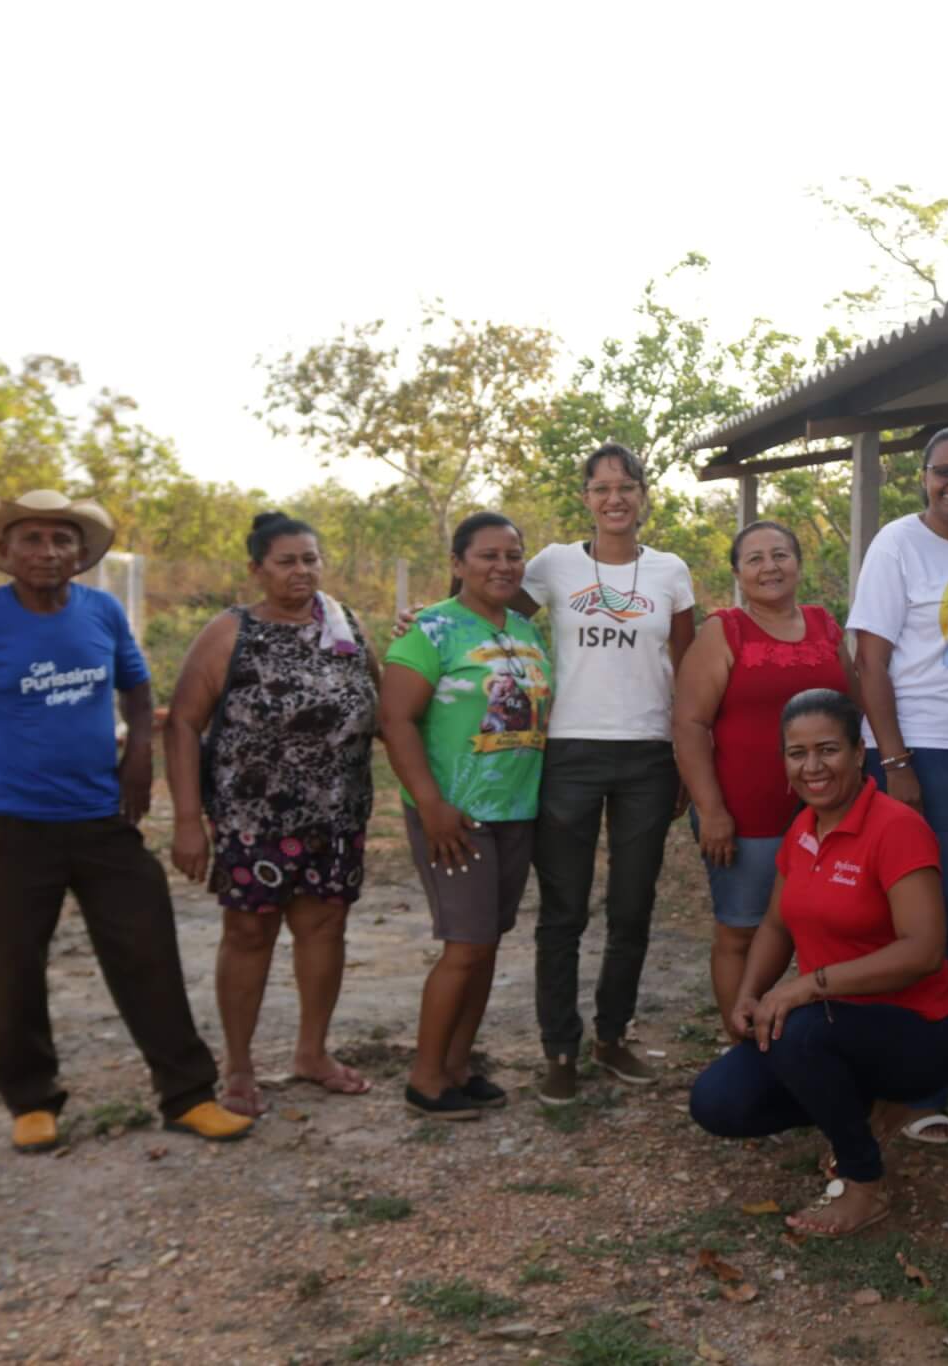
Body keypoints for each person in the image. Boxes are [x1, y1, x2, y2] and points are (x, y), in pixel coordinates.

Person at [0, 489, 251, 1152]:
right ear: (5, 552)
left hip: (102, 818)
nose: (47, 551)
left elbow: (135, 685)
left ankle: (188, 1095)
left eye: (62, 539)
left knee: (147, 950)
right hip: (15, 823)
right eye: (31, 538)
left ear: (82, 553)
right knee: (15, 965)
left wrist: (138, 753)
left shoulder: (101, 611)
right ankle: (31, 1102)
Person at [688, 690, 948, 1237]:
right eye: (797, 753)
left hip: (917, 1034)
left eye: (828, 749)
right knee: (718, 1103)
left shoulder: (897, 827)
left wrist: (806, 986)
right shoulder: (803, 828)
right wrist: (750, 993)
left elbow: (923, 949)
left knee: (799, 1032)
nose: (812, 767)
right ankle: (860, 1112)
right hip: (830, 1025)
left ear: (859, 753)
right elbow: (775, 925)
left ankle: (864, 1183)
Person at [164, 512, 381, 1117]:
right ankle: (238, 1066)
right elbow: (182, 723)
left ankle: (312, 1053)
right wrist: (187, 820)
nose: (301, 571)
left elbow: (384, 705)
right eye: (286, 561)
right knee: (249, 934)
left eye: (310, 559)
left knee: (324, 929)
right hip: (252, 821)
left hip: (336, 816)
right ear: (257, 569)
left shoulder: (345, 624)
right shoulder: (230, 631)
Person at [847, 426, 948, 1147]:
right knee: (942, 914)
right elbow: (869, 661)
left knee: (942, 913)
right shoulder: (897, 545)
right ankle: (917, 1087)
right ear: (922, 475)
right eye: (946, 471)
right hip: (923, 748)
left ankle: (923, 1066)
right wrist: (895, 761)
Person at [520, 444, 696, 1104]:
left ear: (644, 495)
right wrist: (426, 624)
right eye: (601, 488)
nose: (614, 498)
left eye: (626, 487)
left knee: (632, 905)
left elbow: (690, 671)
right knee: (562, 910)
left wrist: (689, 759)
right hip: (569, 751)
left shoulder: (671, 571)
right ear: (586, 498)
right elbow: (488, 612)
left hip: (648, 755)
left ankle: (612, 1036)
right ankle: (559, 1050)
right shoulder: (554, 564)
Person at [381, 512, 552, 1120]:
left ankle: (458, 1066)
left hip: (515, 812)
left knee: (485, 945)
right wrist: (431, 803)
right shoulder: (430, 630)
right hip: (455, 817)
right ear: (458, 564)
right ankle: (425, 1079)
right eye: (488, 555)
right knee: (465, 947)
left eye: (513, 554)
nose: (503, 566)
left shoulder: (526, 631)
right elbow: (395, 719)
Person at [673, 520, 855, 1031]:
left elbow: (853, 706)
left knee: (822, 929)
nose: (769, 567)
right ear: (737, 574)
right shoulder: (724, 631)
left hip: (826, 816)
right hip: (746, 814)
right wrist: (711, 810)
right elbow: (689, 724)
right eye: (754, 559)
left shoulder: (824, 625)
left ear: (798, 563)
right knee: (743, 931)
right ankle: (743, 1043)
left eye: (780, 555)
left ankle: (808, 1038)